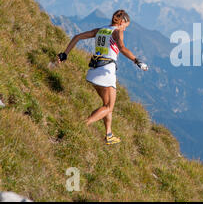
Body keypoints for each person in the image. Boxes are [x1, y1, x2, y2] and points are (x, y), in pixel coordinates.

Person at [57, 9, 148, 145]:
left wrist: (65, 54)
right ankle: (82, 125)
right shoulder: (117, 31)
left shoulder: (101, 30)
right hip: (106, 72)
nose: (124, 29)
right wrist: (137, 60)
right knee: (109, 107)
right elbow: (122, 48)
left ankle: (109, 134)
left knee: (106, 105)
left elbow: (77, 37)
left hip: (93, 71)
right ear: (122, 22)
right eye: (125, 26)